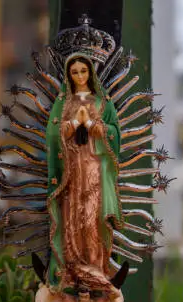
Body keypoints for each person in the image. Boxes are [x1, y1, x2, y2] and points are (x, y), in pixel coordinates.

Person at [45, 53, 123, 287]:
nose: (80, 76)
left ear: (91, 72)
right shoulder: (64, 103)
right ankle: (72, 273)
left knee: (91, 219)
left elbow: (114, 132)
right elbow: (52, 133)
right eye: (74, 72)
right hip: (70, 171)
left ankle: (95, 271)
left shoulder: (102, 102)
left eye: (83, 71)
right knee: (71, 219)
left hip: (93, 169)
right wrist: (73, 124)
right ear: (69, 75)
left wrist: (89, 123)